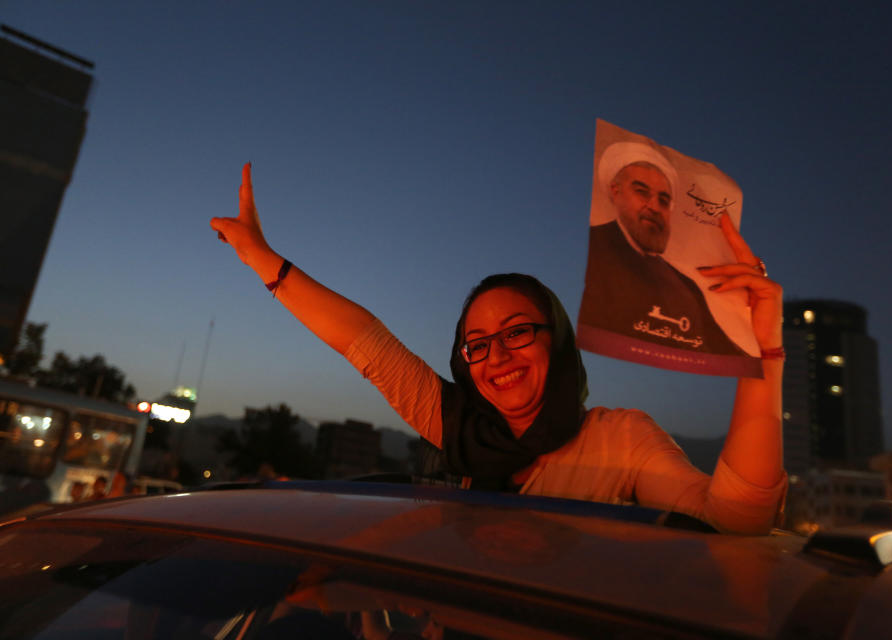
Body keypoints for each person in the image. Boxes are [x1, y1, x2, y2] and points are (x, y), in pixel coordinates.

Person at [211, 164, 785, 534]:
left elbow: (731, 520)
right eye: (477, 345)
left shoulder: (621, 440)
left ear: (555, 340)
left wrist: (763, 354)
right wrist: (259, 257)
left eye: (516, 333)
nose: (497, 358)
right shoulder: (461, 426)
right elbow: (366, 344)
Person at [579, 142, 746, 356]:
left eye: (664, 200)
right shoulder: (593, 251)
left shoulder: (685, 286)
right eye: (642, 192)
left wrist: (764, 338)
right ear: (615, 191)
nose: (655, 207)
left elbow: (725, 355)